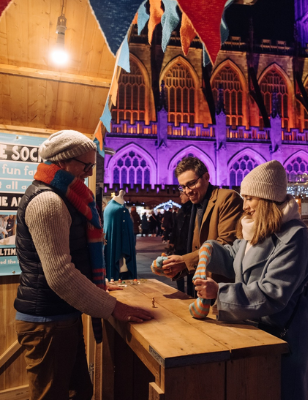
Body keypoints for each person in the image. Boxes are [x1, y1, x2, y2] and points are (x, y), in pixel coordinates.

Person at [13, 130, 153, 400]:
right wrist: (114, 308)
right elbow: (60, 275)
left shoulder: (66, 195)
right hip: (48, 321)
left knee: (79, 392)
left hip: (60, 316)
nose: (89, 173)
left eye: (92, 166)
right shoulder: (48, 202)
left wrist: (96, 283)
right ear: (63, 162)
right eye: (85, 165)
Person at [194, 161, 308, 400]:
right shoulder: (254, 229)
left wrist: (219, 293)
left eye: (250, 198)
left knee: (280, 391)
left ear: (267, 199)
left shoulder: (294, 236)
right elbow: (235, 259)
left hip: (281, 336)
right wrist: (210, 250)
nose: (244, 206)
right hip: (253, 329)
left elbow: (272, 293)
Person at [161, 157, 243, 282]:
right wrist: (176, 267)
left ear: (206, 177)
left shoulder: (228, 198)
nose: (187, 191)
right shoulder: (197, 204)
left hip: (219, 285)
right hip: (201, 282)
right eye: (183, 187)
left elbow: (225, 243)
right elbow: (196, 248)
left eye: (191, 184)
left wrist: (184, 261)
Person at [172, 192, 194, 297]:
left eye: (182, 194)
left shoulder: (194, 209)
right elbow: (176, 227)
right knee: (178, 271)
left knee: (190, 272)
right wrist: (173, 241)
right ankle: (180, 292)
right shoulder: (181, 210)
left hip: (189, 246)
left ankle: (191, 294)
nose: (180, 196)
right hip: (179, 245)